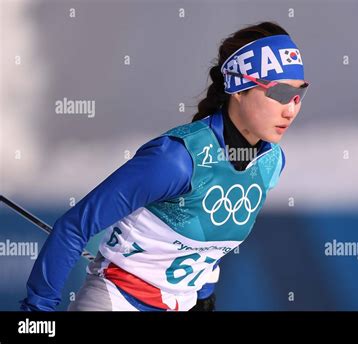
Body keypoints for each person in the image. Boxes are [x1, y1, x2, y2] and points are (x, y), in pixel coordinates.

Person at [20, 21, 309, 311]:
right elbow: (74, 227)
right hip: (117, 302)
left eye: (299, 95)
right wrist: (37, 312)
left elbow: (210, 238)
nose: (291, 109)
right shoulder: (176, 159)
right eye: (280, 94)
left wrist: (204, 295)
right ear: (238, 88)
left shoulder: (270, 162)